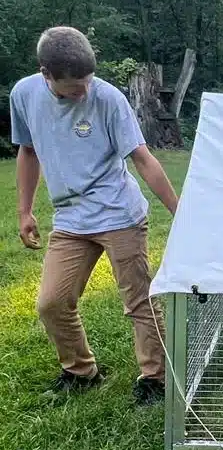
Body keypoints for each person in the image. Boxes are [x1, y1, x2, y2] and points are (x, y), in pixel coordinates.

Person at [10, 26, 179, 405]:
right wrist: (24, 211)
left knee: (138, 302)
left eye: (87, 82)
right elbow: (28, 151)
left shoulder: (107, 98)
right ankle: (80, 371)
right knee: (51, 302)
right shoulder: (24, 95)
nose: (83, 91)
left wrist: (178, 211)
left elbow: (142, 158)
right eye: (74, 86)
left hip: (119, 213)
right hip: (70, 219)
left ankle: (155, 379)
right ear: (45, 74)